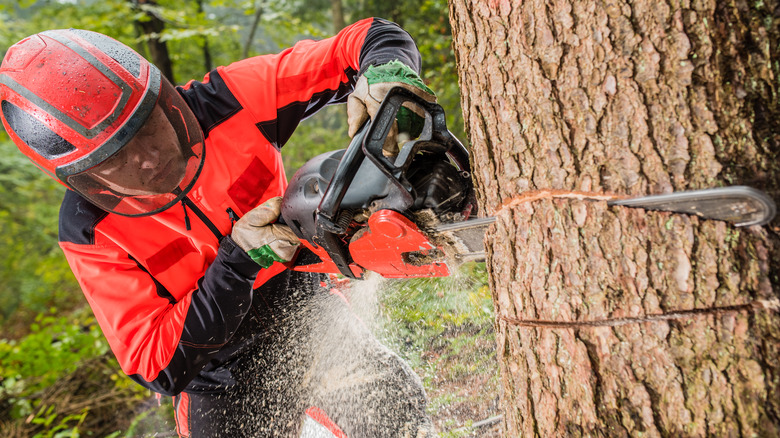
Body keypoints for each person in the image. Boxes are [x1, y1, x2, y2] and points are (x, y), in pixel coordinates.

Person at [0, 18, 437, 437]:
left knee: (400, 415)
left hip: (306, 306)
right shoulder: (90, 229)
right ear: (85, 176)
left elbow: (365, 38)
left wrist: (386, 73)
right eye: (116, 159)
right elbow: (156, 364)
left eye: (146, 129)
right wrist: (240, 261)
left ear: (161, 99)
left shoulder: (227, 101)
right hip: (217, 369)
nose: (148, 159)